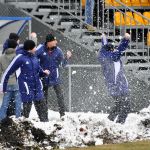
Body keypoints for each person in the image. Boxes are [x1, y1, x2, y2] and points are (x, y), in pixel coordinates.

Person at [0, 40, 50, 122]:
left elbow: (39, 71)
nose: (36, 49)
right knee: (25, 115)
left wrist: (44, 73)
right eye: (34, 47)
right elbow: (7, 73)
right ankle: (21, 129)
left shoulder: (34, 57)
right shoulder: (19, 58)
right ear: (30, 48)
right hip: (26, 89)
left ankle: (45, 126)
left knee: (43, 111)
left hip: (37, 88)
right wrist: (3, 87)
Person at [36, 33, 72, 118]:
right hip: (43, 77)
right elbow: (34, 61)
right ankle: (44, 116)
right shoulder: (40, 49)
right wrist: (40, 71)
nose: (56, 42)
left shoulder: (58, 50)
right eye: (54, 40)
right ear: (49, 42)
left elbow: (62, 64)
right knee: (44, 98)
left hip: (55, 77)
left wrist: (67, 58)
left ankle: (62, 114)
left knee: (60, 96)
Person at [98, 33, 131, 124]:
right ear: (111, 50)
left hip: (112, 86)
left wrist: (103, 37)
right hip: (119, 86)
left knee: (119, 106)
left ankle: (109, 122)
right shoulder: (113, 57)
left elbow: (104, 45)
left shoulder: (103, 54)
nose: (114, 50)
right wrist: (126, 39)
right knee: (125, 106)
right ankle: (119, 124)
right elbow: (120, 49)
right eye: (113, 49)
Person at [0, 39, 22, 121]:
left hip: (6, 84)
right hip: (17, 83)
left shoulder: (1, 57)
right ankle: (18, 119)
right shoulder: (17, 56)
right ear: (15, 46)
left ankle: (1, 118)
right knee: (18, 103)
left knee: (5, 103)